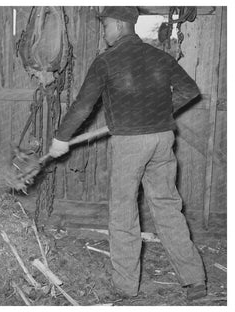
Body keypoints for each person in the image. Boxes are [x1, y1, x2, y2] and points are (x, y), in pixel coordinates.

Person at [49, 6, 207, 301]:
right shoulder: (161, 56)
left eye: (106, 25)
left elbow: (83, 106)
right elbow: (189, 90)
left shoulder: (106, 61)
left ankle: (125, 286)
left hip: (129, 144)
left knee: (123, 212)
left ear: (121, 25)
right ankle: (194, 281)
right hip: (162, 138)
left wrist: (60, 138)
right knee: (168, 207)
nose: (104, 32)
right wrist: (156, 113)